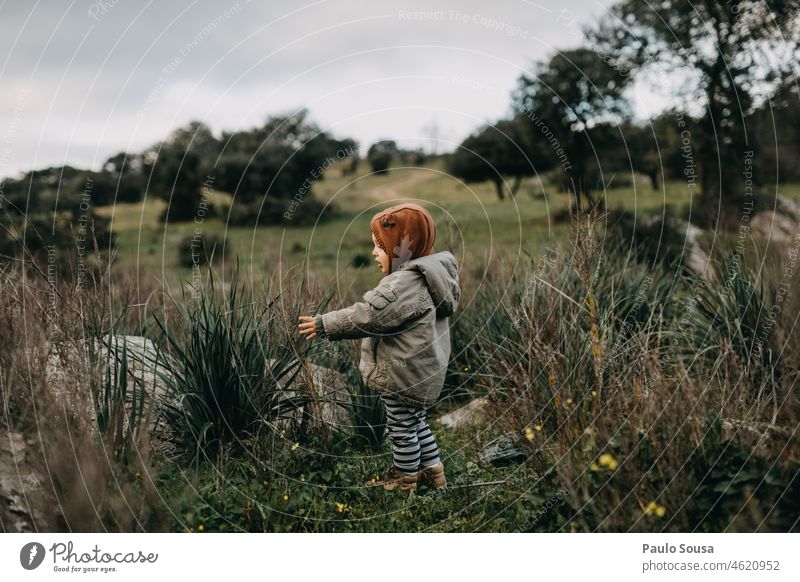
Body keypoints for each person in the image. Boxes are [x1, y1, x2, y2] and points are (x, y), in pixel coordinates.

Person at [297, 202, 461, 494]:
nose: (374, 252)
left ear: (402, 247)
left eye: (380, 246)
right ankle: (433, 472)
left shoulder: (404, 283)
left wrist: (325, 324)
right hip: (419, 373)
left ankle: (404, 479)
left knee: (401, 429)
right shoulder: (427, 276)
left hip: (403, 376)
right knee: (416, 423)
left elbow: (369, 315)